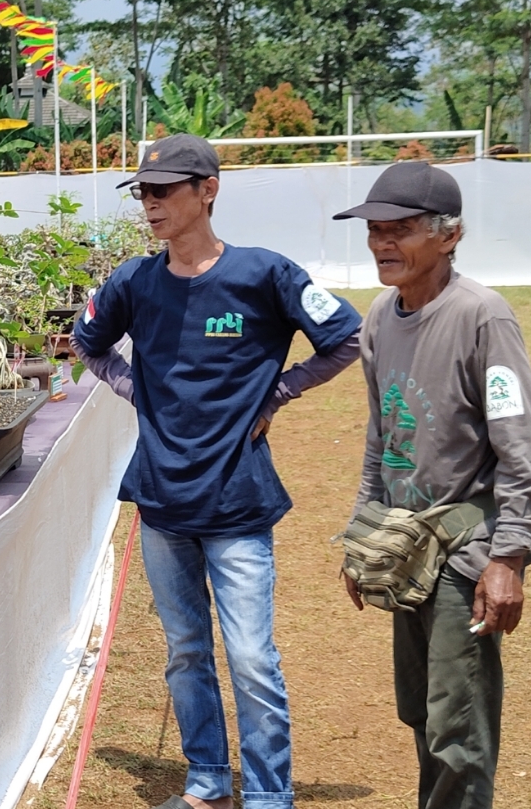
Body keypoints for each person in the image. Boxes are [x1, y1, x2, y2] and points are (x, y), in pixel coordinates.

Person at [72, 133, 363, 809]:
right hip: (162, 504)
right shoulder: (134, 282)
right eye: (143, 192)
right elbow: (88, 345)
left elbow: (345, 337)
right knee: (185, 654)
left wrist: (279, 393)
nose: (150, 204)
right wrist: (134, 388)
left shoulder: (264, 275)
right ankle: (207, 782)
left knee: (253, 659)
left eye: (164, 190)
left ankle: (267, 794)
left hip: (236, 503)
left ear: (209, 190)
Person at [333, 162, 531, 809]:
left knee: (459, 731)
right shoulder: (378, 318)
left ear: (449, 236)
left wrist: (507, 558)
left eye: (399, 230)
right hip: (406, 549)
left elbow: (525, 445)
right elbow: (382, 436)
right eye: (374, 230)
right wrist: (362, 533)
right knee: (423, 717)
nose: (381, 244)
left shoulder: (485, 319)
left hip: (466, 553)